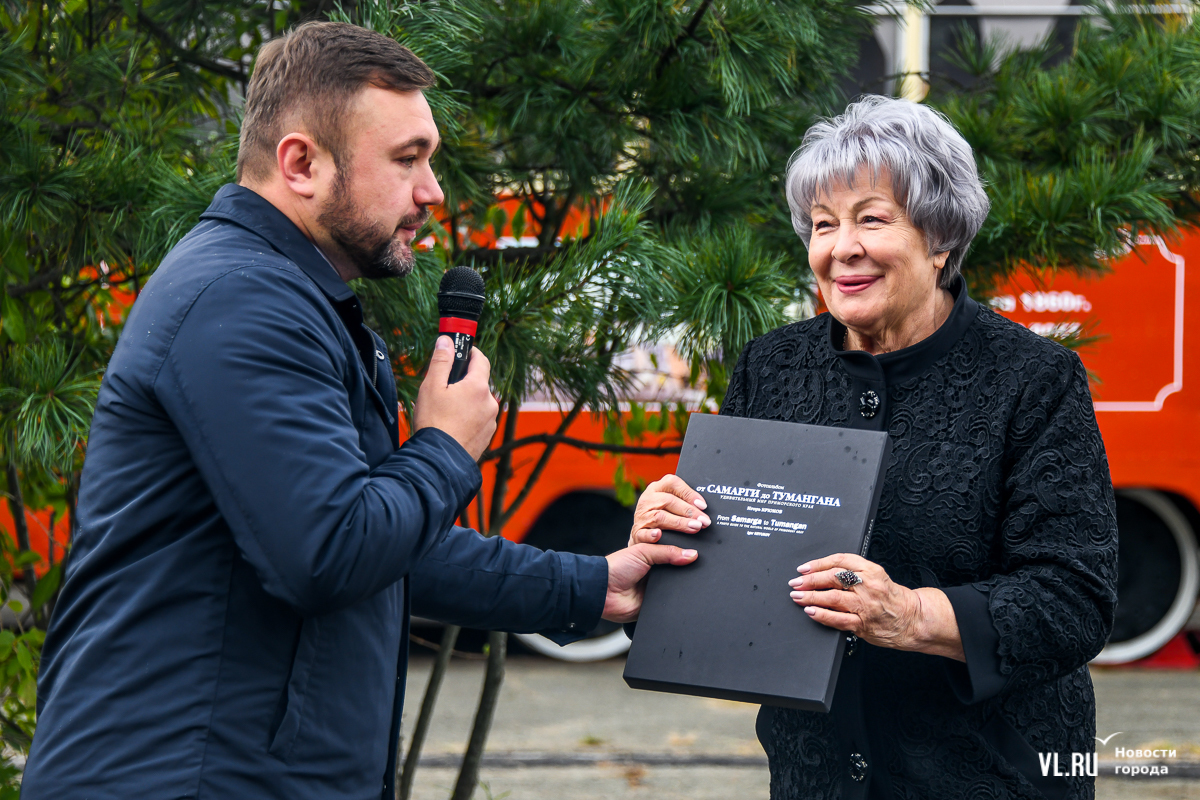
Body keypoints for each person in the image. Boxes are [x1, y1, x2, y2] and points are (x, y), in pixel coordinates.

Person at [21, 22, 696, 800]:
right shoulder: (240, 302)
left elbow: (389, 550)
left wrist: (594, 585)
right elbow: (330, 551)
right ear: (301, 163)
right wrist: (445, 444)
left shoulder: (293, 299)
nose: (434, 190)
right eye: (407, 158)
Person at [630, 96, 1118, 800]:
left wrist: (915, 615)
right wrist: (670, 539)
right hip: (817, 776)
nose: (841, 247)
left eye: (871, 219)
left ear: (941, 239)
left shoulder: (1033, 379)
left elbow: (1074, 602)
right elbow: (734, 565)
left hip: (989, 774)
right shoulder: (772, 366)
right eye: (823, 225)